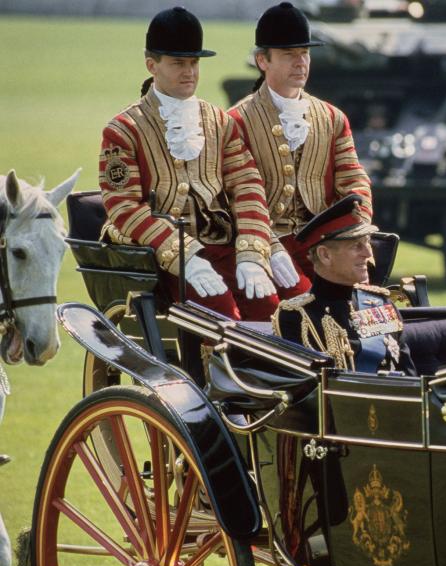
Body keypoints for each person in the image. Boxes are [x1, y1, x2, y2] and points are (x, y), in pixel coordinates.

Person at [99, 6, 284, 321]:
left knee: (271, 312)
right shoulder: (123, 130)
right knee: (222, 316)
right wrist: (185, 257)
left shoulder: (220, 122)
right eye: (178, 63)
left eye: (194, 63)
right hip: (162, 255)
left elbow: (247, 184)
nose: (189, 72)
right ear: (151, 65)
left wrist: (252, 253)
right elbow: (124, 207)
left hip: (224, 246)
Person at [229, 2, 372, 297]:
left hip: (324, 247)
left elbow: (354, 183)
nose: (300, 63)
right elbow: (231, 200)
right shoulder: (235, 122)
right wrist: (267, 245)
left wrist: (353, 234)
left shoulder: (333, 118)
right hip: (263, 247)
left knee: (366, 304)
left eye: (304, 54)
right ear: (262, 61)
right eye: (289, 55)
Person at [273, 195, 414, 374]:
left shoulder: (381, 304)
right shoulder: (297, 317)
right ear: (325, 255)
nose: (368, 253)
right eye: (356, 246)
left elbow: (410, 378)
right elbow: (305, 393)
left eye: (368, 243)